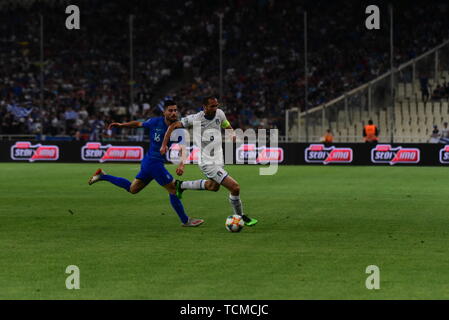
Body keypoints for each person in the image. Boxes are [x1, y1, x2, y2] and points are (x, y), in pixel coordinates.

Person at [87, 100, 204, 227]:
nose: (173, 113)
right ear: (164, 112)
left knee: (133, 189)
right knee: (173, 189)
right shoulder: (155, 122)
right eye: (170, 110)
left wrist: (181, 164)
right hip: (153, 163)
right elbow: (138, 123)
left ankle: (103, 176)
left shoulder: (178, 128)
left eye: (175, 110)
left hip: (150, 163)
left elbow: (182, 147)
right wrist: (122, 125)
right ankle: (185, 220)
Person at [160, 96, 258, 227]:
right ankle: (240, 217)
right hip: (207, 161)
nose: (215, 108)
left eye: (216, 105)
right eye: (212, 106)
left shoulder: (220, 113)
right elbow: (174, 125)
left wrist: (232, 133)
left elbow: (225, 124)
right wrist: (164, 144)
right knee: (235, 187)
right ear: (204, 107)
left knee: (213, 187)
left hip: (218, 157)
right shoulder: (196, 118)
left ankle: (180, 185)